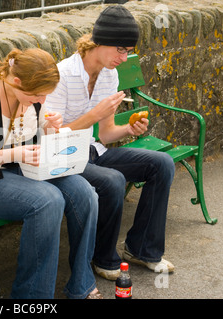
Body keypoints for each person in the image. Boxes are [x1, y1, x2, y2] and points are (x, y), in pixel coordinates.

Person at [0, 48, 100, 299]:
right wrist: (12, 155)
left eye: (44, 95)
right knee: (48, 200)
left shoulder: (31, 95)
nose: (41, 100)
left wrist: (50, 127)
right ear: (15, 81)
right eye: (36, 95)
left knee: (85, 193)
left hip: (21, 169)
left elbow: (29, 136)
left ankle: (81, 284)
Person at [45, 5, 175, 280]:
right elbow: (50, 137)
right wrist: (92, 115)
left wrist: (129, 128)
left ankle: (141, 249)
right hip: (61, 155)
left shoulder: (109, 74)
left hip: (92, 151)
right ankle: (102, 258)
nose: (123, 57)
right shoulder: (62, 75)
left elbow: (104, 135)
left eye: (127, 51)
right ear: (99, 40)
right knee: (112, 180)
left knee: (161, 164)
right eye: (120, 49)